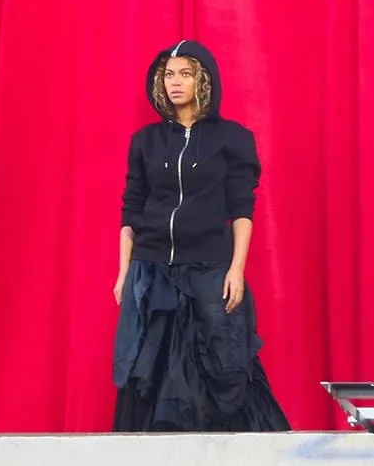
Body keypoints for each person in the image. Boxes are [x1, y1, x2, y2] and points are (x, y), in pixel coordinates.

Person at [112, 39, 290, 432]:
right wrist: (125, 271)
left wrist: (236, 269)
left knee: (223, 363)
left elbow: (242, 210)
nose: (175, 82)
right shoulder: (145, 141)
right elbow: (131, 210)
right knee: (151, 368)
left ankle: (231, 455)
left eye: (185, 74)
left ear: (203, 81)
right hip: (151, 268)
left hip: (210, 267)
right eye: (169, 75)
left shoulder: (232, 138)